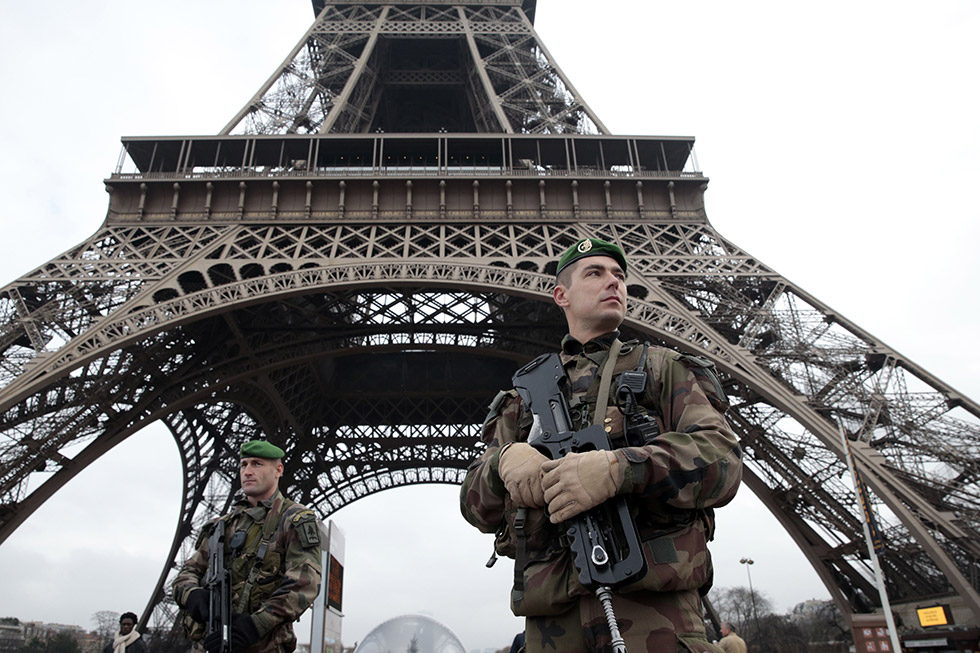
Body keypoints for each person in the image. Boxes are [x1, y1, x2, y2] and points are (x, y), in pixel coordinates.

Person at [460, 238, 743, 652]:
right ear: (562, 295)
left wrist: (620, 469)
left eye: (620, 275)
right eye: (595, 273)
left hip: (656, 618)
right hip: (553, 624)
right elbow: (474, 507)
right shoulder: (522, 401)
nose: (614, 282)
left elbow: (724, 461)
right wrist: (503, 463)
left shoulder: (665, 369)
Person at [173, 440, 323, 653]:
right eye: (243, 465)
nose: (248, 471)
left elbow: (305, 582)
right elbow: (187, 573)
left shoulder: (294, 519)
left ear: (278, 470)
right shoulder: (219, 526)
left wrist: (255, 625)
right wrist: (193, 595)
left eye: (257, 464)